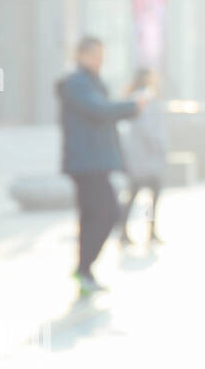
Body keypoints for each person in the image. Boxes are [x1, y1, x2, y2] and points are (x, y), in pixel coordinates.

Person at [55, 36, 146, 295]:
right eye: (96, 55)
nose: (101, 60)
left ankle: (84, 271)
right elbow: (99, 110)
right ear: (82, 55)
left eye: (103, 55)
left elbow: (102, 110)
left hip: (93, 161)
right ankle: (84, 268)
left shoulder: (89, 81)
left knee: (92, 216)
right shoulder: (78, 83)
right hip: (86, 163)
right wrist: (132, 106)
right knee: (108, 212)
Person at [118, 67, 166, 247]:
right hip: (147, 156)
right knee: (150, 196)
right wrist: (159, 146)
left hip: (138, 156)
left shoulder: (134, 97)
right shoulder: (145, 97)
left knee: (135, 195)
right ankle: (148, 231)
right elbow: (148, 128)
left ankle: (128, 231)